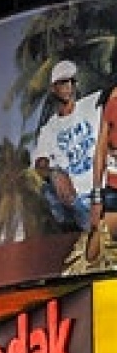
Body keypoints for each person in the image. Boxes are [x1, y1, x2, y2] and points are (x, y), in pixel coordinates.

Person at [34, 59, 102, 233]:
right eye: (63, 81)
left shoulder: (92, 104)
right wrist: (54, 173)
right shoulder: (49, 129)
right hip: (79, 201)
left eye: (72, 81)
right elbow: (40, 164)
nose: (69, 86)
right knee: (47, 190)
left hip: (103, 189)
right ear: (53, 88)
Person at [87, 84, 117, 263]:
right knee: (93, 256)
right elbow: (101, 148)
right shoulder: (111, 97)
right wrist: (97, 196)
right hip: (114, 188)